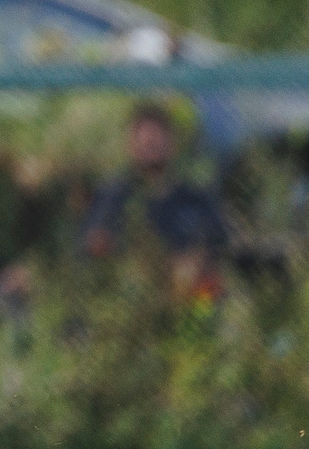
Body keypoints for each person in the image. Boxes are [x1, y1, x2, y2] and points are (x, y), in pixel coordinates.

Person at [81, 100, 228, 300]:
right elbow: (92, 249)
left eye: (157, 136)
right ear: (131, 144)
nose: (150, 143)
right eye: (144, 138)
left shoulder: (197, 200)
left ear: (172, 143)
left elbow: (220, 251)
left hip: (189, 302)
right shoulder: (111, 197)